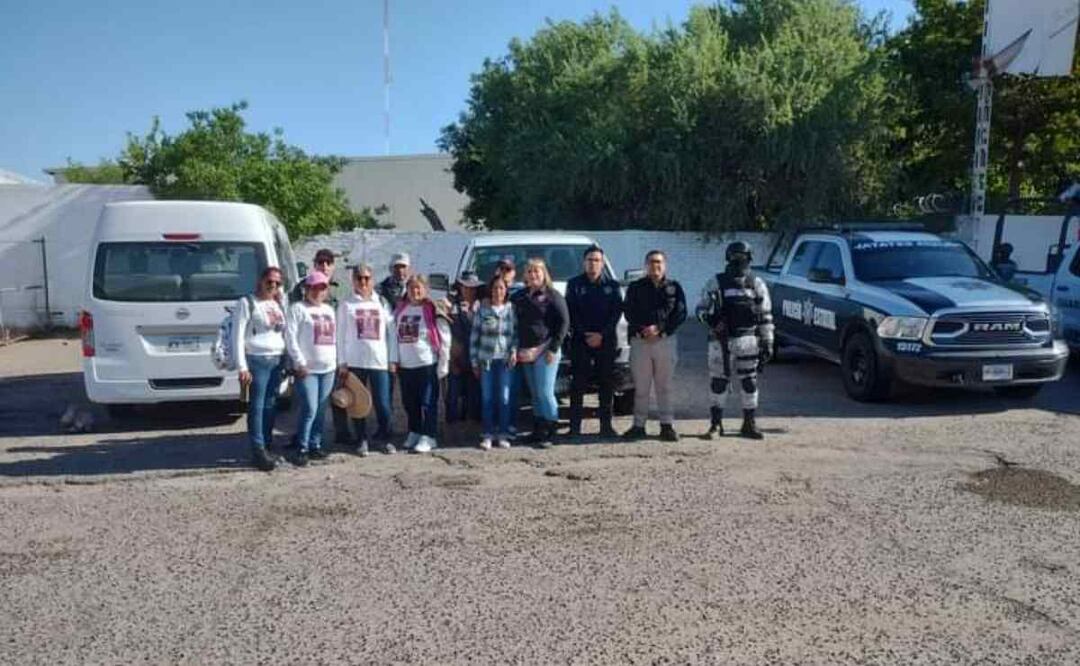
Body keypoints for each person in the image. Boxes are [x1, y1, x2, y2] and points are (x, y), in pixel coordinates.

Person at [696, 241, 774, 440]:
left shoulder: (756, 283)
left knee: (749, 382)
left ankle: (749, 423)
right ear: (728, 258)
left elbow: (765, 315)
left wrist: (768, 341)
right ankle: (715, 425)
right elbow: (700, 310)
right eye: (735, 256)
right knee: (719, 382)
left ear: (748, 258)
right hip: (720, 340)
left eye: (742, 256)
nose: (739, 260)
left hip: (748, 339)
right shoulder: (716, 282)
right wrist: (713, 321)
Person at [622, 250, 687, 442]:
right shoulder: (635, 287)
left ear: (664, 265)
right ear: (645, 265)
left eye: (658, 262)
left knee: (664, 386)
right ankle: (638, 426)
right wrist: (644, 330)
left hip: (665, 341)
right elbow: (628, 311)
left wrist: (660, 329)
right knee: (641, 387)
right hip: (640, 342)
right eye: (651, 262)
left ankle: (666, 426)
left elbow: (680, 313)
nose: (655, 266)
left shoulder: (674, 287)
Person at [565, 244, 623, 440]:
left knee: (606, 384)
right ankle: (574, 428)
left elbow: (616, 313)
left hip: (606, 342)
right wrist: (585, 335)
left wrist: (601, 335)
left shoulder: (613, 286)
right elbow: (571, 313)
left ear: (602, 263)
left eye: (597, 260)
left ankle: (606, 427)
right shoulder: (574, 284)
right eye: (590, 260)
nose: (593, 264)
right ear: (584, 262)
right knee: (578, 384)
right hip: (581, 342)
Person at [337, 263, 395, 456]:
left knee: (383, 403)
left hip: (379, 361)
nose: (363, 282)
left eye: (367, 278)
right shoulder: (346, 304)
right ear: (353, 281)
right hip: (355, 362)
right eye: (359, 278)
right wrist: (342, 362)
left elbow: (391, 333)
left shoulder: (382, 303)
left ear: (372, 280)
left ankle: (385, 438)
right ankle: (361, 439)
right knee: (358, 403)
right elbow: (340, 335)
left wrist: (392, 359)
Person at [511, 258, 569, 448]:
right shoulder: (519, 296)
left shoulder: (553, 296)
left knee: (545, 392)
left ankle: (552, 431)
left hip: (546, 352)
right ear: (525, 275)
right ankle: (538, 430)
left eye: (537, 271)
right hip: (526, 353)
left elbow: (564, 323)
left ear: (544, 274)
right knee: (535, 394)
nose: (533, 275)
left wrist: (552, 348)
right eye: (530, 271)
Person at [389, 275, 451, 453]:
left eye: (419, 288)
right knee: (410, 403)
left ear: (426, 290)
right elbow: (393, 336)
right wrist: (394, 360)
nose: (415, 292)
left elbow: (445, 337)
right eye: (411, 288)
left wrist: (443, 364)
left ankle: (429, 435)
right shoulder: (400, 310)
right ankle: (415, 431)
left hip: (426, 363)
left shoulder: (432, 309)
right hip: (406, 366)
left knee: (428, 402)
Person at [234, 266, 287, 471]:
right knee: (256, 405)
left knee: (271, 403)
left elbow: (282, 332)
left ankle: (267, 442)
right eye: (269, 281)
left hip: (277, 358)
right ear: (261, 280)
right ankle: (258, 449)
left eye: (277, 283)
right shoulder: (247, 303)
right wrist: (242, 366)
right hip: (257, 359)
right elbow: (237, 335)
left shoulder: (277, 303)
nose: (272, 285)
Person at [286, 271, 338, 466]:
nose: (318, 291)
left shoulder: (329, 310)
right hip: (307, 369)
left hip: (328, 368)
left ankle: (315, 443)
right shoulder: (297, 309)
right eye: (314, 287)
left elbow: (333, 338)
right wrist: (299, 362)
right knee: (309, 408)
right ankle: (302, 446)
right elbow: (290, 337)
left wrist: (335, 361)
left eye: (322, 287)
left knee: (322, 409)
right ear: (306, 289)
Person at [470, 274, 518, 450]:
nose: (498, 291)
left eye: (501, 288)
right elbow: (474, 338)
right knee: (488, 397)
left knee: (504, 397)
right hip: (486, 361)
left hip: (505, 361)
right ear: (490, 290)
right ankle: (488, 434)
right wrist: (474, 362)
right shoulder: (482, 311)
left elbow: (514, 335)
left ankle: (503, 434)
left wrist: (513, 351)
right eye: (495, 288)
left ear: (506, 291)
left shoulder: (510, 310)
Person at [447, 271, 482, 423]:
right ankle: (451, 429)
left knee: (474, 397)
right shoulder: (452, 306)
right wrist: (452, 359)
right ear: (460, 287)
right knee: (453, 396)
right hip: (457, 357)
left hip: (476, 358)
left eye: (473, 288)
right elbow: (447, 334)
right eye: (466, 287)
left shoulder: (482, 306)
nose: (469, 290)